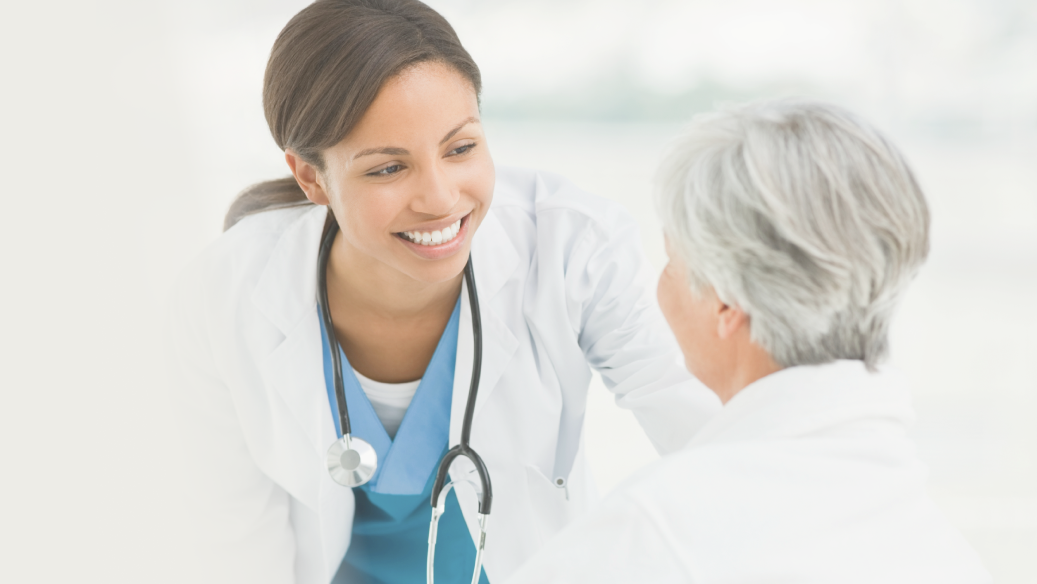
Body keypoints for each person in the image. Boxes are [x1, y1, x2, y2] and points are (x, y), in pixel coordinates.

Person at [164, 1, 720, 582]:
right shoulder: (223, 297)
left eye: (460, 149)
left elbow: (712, 433)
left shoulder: (570, 247)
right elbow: (231, 544)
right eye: (387, 169)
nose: (440, 198)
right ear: (310, 176)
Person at [507, 99, 991, 583]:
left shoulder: (656, 533)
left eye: (673, 259)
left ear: (725, 304)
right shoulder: (942, 549)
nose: (662, 281)